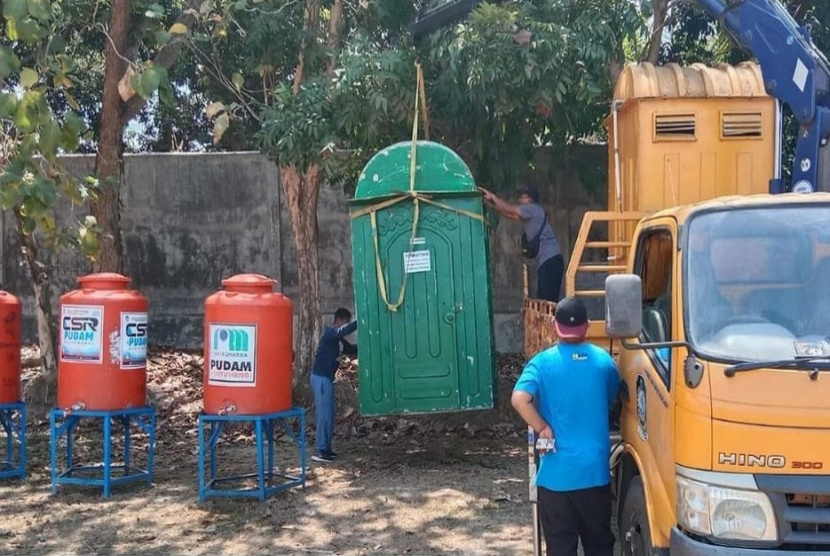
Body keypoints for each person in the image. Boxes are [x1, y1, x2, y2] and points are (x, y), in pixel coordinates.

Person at [511, 296, 621, 556]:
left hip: (555, 480)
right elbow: (612, 397)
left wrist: (542, 427)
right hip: (594, 475)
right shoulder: (604, 361)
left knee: (560, 548)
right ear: (586, 327)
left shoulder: (541, 362)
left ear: (554, 326)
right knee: (599, 546)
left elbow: (519, 399)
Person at [478, 184, 564, 302]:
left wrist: (493, 197)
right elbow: (509, 214)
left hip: (549, 261)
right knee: (547, 299)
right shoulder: (533, 213)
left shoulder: (532, 208)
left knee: (546, 301)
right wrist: (492, 206)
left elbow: (510, 209)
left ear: (530, 199)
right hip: (550, 261)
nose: (520, 200)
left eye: (523, 197)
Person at [310, 308, 357, 463]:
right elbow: (343, 330)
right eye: (346, 323)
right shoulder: (330, 333)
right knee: (323, 415)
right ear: (339, 321)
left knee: (329, 415)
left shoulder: (339, 340)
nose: (346, 327)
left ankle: (327, 449)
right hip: (321, 378)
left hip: (327, 379)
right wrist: (361, 322)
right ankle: (320, 450)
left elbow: (351, 349)